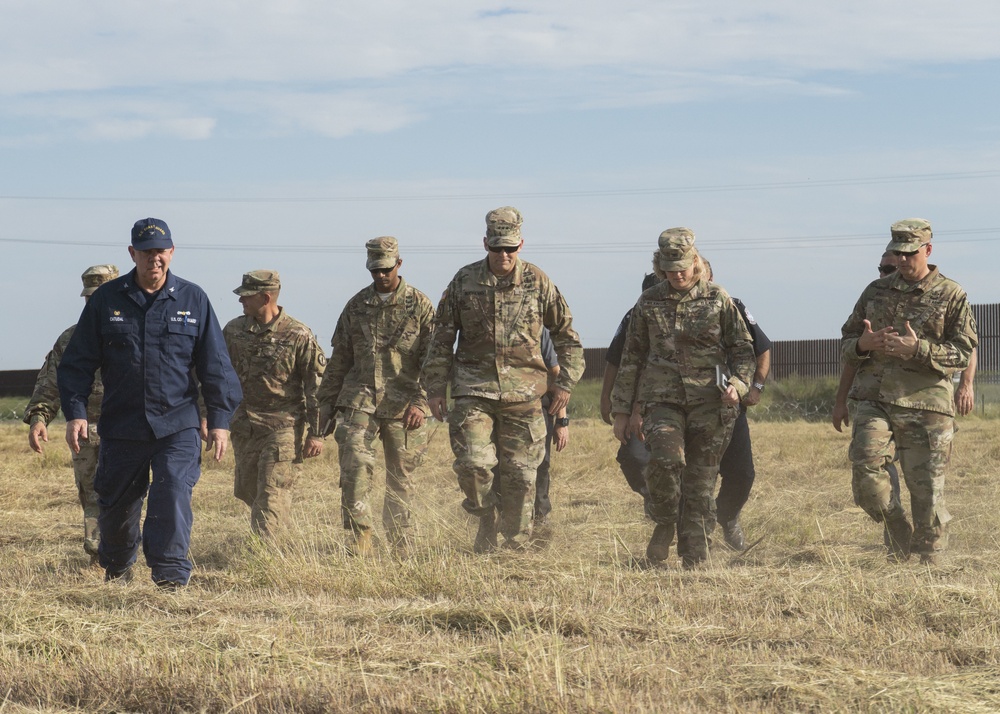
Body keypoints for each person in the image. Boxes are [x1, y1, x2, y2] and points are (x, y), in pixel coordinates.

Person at [57, 217, 242, 588]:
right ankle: (118, 566)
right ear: (132, 254)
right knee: (116, 512)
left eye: (161, 252)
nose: (154, 259)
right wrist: (75, 413)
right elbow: (76, 363)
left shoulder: (194, 299)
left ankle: (170, 581)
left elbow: (216, 366)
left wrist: (219, 419)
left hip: (177, 424)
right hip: (122, 426)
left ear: (171, 253)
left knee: (172, 493)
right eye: (146, 252)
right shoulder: (107, 301)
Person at [422, 206, 584, 552]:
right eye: (497, 248)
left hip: (524, 396)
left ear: (521, 244)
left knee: (522, 477)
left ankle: (515, 546)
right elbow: (440, 338)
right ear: (485, 244)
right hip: (473, 391)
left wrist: (565, 384)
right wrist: (435, 387)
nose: (504, 255)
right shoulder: (464, 281)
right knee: (473, 465)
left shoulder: (538, 282)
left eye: (510, 248)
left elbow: (567, 337)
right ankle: (485, 517)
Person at [611, 228, 755, 568]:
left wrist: (739, 384)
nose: (677, 274)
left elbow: (744, 351)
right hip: (662, 400)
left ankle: (694, 558)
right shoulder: (648, 302)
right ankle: (664, 521)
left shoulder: (719, 299)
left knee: (701, 484)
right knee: (664, 461)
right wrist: (621, 410)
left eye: (683, 267)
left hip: (710, 403)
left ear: (696, 262)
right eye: (669, 267)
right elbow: (632, 356)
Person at [840, 218, 977, 565]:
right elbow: (845, 341)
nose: (902, 261)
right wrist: (862, 344)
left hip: (926, 405)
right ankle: (897, 527)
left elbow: (963, 352)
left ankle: (929, 563)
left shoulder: (951, 294)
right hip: (875, 398)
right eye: (897, 253)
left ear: (928, 250)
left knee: (927, 492)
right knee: (865, 471)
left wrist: (919, 350)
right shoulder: (875, 290)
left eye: (909, 253)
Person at [317, 237, 435, 557]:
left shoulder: (420, 305)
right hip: (360, 398)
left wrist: (421, 402)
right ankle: (360, 538)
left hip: (404, 401)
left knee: (401, 475)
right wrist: (325, 405)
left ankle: (401, 543)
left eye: (386, 268)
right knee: (354, 464)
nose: (381, 275)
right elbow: (339, 358)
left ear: (399, 263)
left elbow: (434, 360)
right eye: (375, 270)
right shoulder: (356, 306)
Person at [24, 264, 119, 565]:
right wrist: (39, 417)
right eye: (89, 297)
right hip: (85, 431)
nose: (93, 303)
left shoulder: (135, 332)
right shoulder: (70, 339)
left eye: (99, 296)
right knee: (91, 494)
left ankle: (122, 551)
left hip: (127, 429)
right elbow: (51, 381)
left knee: (124, 495)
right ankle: (100, 557)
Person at [223, 270, 326, 537]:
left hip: (282, 428)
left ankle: (265, 561)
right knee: (248, 490)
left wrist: (317, 433)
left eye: (246, 296)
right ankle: (285, 541)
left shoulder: (298, 335)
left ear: (265, 297)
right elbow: (216, 375)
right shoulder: (233, 331)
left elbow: (316, 387)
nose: (241, 301)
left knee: (272, 494)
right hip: (245, 426)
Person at [697, 258, 771, 551]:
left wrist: (756, 387)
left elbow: (762, 347)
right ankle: (695, 534)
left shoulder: (732, 306)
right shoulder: (665, 307)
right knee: (698, 473)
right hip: (688, 407)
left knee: (742, 473)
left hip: (729, 405)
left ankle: (727, 517)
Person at [490, 328, 569, 530]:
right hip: (497, 405)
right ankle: (504, 517)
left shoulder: (539, 330)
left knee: (540, 463)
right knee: (500, 463)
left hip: (537, 406)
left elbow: (555, 374)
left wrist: (562, 421)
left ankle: (541, 518)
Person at [600, 274, 659, 512]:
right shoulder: (632, 317)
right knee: (632, 456)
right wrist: (607, 398)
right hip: (637, 401)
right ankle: (652, 495)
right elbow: (615, 359)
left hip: (677, 400)